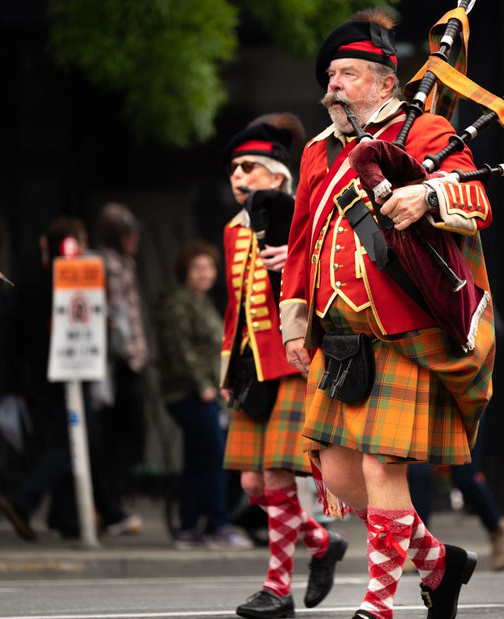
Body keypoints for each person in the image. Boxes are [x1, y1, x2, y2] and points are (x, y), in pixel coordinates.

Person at [280, 9, 497, 619]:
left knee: (382, 468)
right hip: (342, 337)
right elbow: (301, 243)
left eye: (347, 73)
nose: (334, 85)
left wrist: (427, 194)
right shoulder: (320, 152)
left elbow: (476, 199)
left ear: (384, 82)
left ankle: (378, 606)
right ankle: (441, 566)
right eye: (330, 74)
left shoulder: (423, 133)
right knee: (341, 477)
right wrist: (297, 324)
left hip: (405, 331)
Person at [218, 115, 347, 618]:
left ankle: (277, 590)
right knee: (252, 485)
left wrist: (297, 264)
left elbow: (327, 283)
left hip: (291, 364)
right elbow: (234, 308)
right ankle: (322, 543)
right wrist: (227, 373)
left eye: (248, 166)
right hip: (251, 369)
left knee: (275, 477)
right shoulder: (233, 228)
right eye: (233, 167)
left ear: (277, 175)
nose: (237, 175)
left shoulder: (302, 218)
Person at [0, 216, 141, 541]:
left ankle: (68, 519)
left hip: (43, 377)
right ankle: (24, 500)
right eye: (82, 241)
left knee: (75, 443)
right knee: (76, 444)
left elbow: (13, 338)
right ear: (71, 244)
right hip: (70, 372)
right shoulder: (70, 280)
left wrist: (15, 383)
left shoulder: (32, 279)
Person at [157, 239, 252, 550]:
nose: (205, 274)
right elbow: (180, 350)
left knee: (198, 461)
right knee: (216, 458)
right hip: (191, 394)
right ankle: (217, 524)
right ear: (185, 271)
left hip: (208, 394)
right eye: (198, 268)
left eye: (209, 267)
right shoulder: (178, 302)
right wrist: (204, 387)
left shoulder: (201, 301)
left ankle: (188, 527)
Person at [92, 202, 149, 525]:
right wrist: (126, 354)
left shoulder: (125, 263)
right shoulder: (106, 265)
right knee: (122, 436)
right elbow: (113, 316)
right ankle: (110, 504)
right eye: (129, 233)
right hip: (119, 362)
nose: (135, 239)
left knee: (126, 437)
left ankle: (112, 502)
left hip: (130, 359)